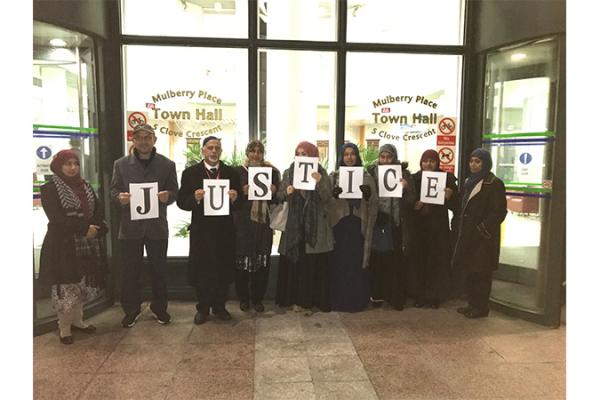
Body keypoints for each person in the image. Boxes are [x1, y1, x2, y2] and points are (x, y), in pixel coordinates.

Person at [110, 124, 178, 328]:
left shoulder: (167, 164)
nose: (143, 141)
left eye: (147, 137)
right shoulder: (120, 165)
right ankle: (131, 310)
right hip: (130, 227)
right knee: (130, 271)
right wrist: (119, 198)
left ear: (154, 140)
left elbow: (175, 191)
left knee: (159, 270)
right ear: (133, 141)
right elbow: (113, 191)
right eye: (139, 137)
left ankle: (160, 308)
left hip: (157, 227)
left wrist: (168, 197)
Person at [40, 149, 108, 344]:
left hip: (86, 244)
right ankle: (64, 328)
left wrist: (95, 227)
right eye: (67, 164)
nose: (72, 168)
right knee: (66, 286)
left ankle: (78, 321)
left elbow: (98, 209)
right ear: (58, 166)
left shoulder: (85, 186)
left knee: (81, 284)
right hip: (63, 245)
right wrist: (84, 229)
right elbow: (57, 219)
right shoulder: (49, 189)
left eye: (75, 164)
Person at [177, 136, 241, 324]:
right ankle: (203, 308)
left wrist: (236, 198)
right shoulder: (190, 173)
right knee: (202, 270)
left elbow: (240, 204)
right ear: (203, 150)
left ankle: (220, 306)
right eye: (210, 147)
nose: (214, 151)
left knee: (223, 270)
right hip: (202, 231)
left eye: (217, 148)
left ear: (221, 151)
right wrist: (194, 198)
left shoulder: (231, 173)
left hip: (224, 231)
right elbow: (181, 202)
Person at [275, 141, 334, 313]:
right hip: (294, 227)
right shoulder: (289, 172)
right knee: (295, 263)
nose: (301, 157)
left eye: (305, 153)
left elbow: (327, 198)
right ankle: (293, 299)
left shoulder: (321, 172)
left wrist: (319, 182)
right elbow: (279, 195)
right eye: (298, 153)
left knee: (312, 264)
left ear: (313, 155)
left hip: (315, 226)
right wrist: (287, 192)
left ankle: (310, 299)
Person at [452, 148, 507, 318]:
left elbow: (499, 212)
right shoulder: (469, 181)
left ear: (485, 163)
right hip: (468, 235)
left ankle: (482, 307)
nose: (473, 165)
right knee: (470, 271)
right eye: (471, 161)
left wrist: (483, 229)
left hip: (483, 238)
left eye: (478, 161)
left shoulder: (494, 182)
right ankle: (472, 304)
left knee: (482, 272)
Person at [328, 143, 378, 312]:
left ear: (357, 156)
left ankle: (356, 301)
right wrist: (333, 196)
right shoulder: (334, 176)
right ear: (341, 157)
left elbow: (375, 202)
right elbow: (325, 202)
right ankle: (339, 300)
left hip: (358, 224)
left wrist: (368, 195)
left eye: (352, 154)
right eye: (346, 154)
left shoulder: (366, 176)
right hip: (339, 225)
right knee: (340, 262)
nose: (349, 157)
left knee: (356, 263)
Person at [366, 144, 416, 310]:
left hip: (396, 222)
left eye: (389, 157)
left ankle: (396, 297)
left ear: (394, 158)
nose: (386, 161)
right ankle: (377, 295)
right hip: (378, 221)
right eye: (383, 157)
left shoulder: (404, 174)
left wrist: (406, 188)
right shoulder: (371, 173)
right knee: (378, 259)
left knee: (396, 260)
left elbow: (411, 202)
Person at [233, 140, 280, 312]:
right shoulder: (237, 172)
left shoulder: (272, 172)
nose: (256, 154)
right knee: (242, 263)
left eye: (259, 151)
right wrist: (240, 192)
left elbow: (278, 199)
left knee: (262, 262)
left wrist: (275, 191)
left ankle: (258, 298)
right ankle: (243, 298)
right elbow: (230, 199)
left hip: (263, 224)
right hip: (243, 224)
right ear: (247, 153)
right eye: (252, 151)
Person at [411, 149, 459, 309]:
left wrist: (449, 196)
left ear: (437, 162)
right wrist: (414, 205)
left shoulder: (446, 179)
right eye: (426, 161)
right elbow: (407, 202)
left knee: (437, 262)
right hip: (419, 228)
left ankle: (434, 296)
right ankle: (419, 295)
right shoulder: (414, 179)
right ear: (421, 162)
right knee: (420, 261)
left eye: (432, 161)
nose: (429, 164)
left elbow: (456, 206)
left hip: (438, 228)